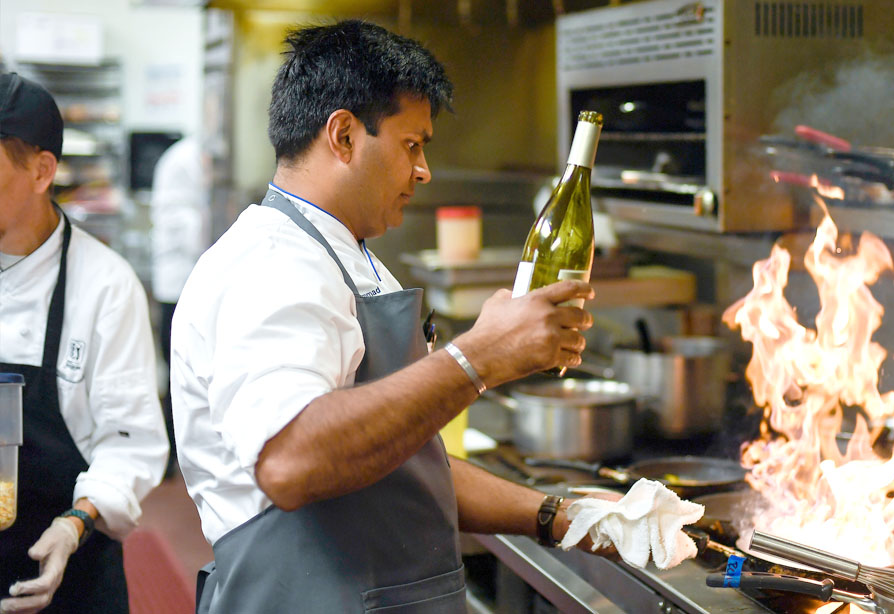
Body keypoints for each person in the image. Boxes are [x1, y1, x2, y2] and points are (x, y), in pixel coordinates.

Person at [172, 20, 606, 613]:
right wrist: (478, 357)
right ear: (345, 136)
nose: (423, 170)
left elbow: (405, 463)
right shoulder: (271, 264)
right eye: (412, 144)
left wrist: (564, 517)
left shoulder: (351, 258)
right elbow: (290, 459)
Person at [0, 73, 169, 613]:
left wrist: (75, 525)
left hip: (68, 567)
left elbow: (130, 442)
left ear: (42, 170)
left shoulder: (105, 287)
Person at [149, 135, 210, 475]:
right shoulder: (185, 160)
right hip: (177, 286)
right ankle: (175, 454)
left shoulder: (182, 158)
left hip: (178, 284)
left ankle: (177, 454)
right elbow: (195, 236)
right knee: (179, 372)